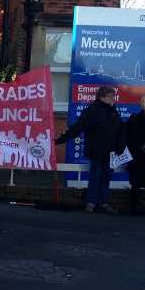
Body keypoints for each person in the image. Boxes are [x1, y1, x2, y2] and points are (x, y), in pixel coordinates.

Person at [55, 85, 126, 213]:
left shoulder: (113, 111)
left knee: (106, 177)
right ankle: (91, 202)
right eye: (111, 96)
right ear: (102, 97)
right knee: (95, 176)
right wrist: (61, 140)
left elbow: (120, 130)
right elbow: (78, 127)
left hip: (110, 152)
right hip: (96, 150)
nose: (113, 99)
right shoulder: (92, 110)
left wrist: (120, 147)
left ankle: (103, 202)